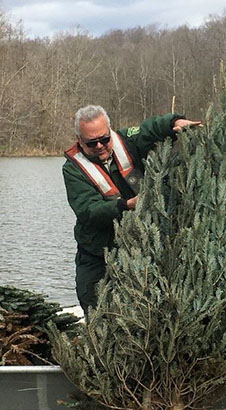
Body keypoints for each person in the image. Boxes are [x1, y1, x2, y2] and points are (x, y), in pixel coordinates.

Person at [63, 105, 201, 315]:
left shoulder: (127, 140)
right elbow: (89, 211)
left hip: (139, 244)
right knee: (94, 305)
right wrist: (126, 205)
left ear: (110, 131)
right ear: (79, 140)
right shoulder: (73, 169)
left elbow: (151, 127)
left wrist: (174, 122)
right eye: (91, 143)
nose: (99, 146)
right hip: (97, 251)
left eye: (104, 139)